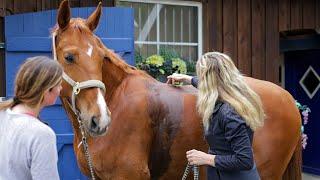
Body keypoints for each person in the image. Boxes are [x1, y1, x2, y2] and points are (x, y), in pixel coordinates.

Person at [167, 52, 264, 180]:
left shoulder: (229, 114)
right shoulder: (226, 95)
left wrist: (206, 158)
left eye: (202, 76)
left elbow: (244, 160)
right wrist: (187, 78)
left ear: (209, 80)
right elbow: (204, 84)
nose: (200, 80)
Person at [0, 56, 63, 180]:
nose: (61, 89)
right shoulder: (42, 134)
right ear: (47, 91)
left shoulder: (3, 114)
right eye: (59, 84)